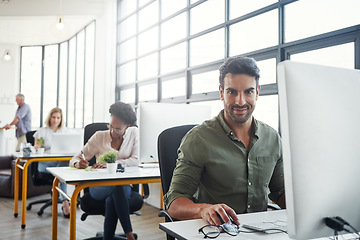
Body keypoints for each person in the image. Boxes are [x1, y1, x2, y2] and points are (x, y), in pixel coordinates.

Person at [164, 57, 286, 226]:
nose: (240, 101)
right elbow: (174, 204)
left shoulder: (272, 138)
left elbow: (281, 193)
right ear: (221, 92)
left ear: (257, 92)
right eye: (232, 92)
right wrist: (203, 210)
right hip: (217, 232)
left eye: (248, 92)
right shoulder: (198, 139)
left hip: (260, 233)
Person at [70, 101, 138, 240]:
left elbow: (136, 161)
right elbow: (74, 158)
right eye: (110, 126)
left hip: (124, 187)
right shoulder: (99, 136)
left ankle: (109, 238)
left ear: (128, 126)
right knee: (117, 187)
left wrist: (110, 164)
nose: (112, 132)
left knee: (112, 198)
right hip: (98, 187)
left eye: (118, 129)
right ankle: (129, 235)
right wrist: (78, 164)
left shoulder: (134, 134)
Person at [33, 107, 70, 218]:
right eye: (53, 117)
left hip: (60, 164)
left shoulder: (65, 131)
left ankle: (61, 197)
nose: (55, 120)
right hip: (45, 165)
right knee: (62, 172)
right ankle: (65, 202)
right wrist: (37, 146)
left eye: (58, 118)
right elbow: (37, 146)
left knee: (62, 168)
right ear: (49, 118)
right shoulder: (42, 131)